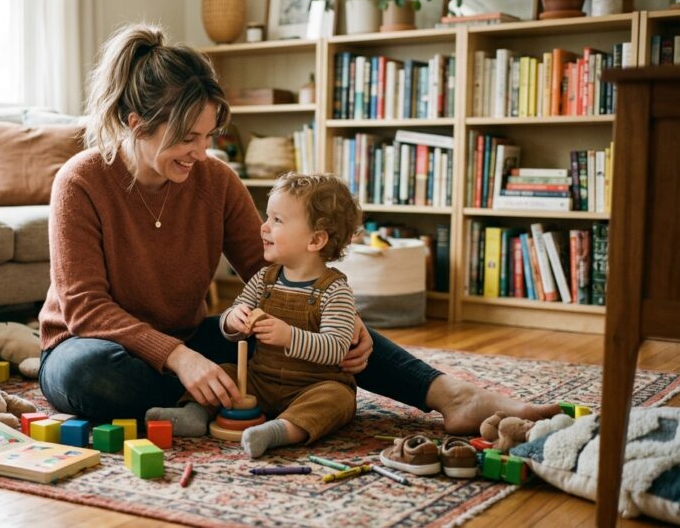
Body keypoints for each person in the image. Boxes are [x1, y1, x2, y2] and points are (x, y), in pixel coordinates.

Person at [37, 22, 558, 437]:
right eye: (187, 138)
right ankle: (219, 395)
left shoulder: (214, 179)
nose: (202, 151)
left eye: (209, 135)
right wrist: (180, 359)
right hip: (90, 345)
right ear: (136, 124)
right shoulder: (80, 181)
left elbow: (275, 267)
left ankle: (453, 396)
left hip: (192, 338)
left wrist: (338, 318)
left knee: (314, 322)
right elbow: (86, 308)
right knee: (91, 377)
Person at [149, 172, 364, 457]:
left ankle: (278, 432)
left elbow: (336, 349)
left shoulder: (335, 291)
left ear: (315, 240)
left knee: (337, 398)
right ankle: (194, 414)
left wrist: (289, 337)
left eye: (277, 220)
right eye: (267, 217)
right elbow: (233, 317)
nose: (263, 227)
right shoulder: (264, 279)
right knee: (224, 373)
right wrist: (233, 319)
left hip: (312, 386)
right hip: (260, 380)